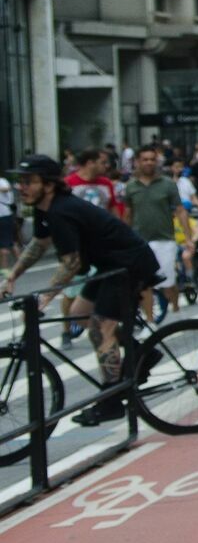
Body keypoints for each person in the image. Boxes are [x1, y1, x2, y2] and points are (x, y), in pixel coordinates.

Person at [4, 154, 161, 424]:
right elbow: (39, 244)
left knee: (102, 329)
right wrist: (12, 276)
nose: (22, 186)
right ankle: (142, 353)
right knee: (79, 314)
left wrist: (45, 297)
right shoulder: (46, 208)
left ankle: (111, 402)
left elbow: (72, 263)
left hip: (128, 264)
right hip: (109, 265)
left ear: (49, 184)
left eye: (29, 181)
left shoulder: (61, 211)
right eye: (20, 181)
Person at [124, 145, 182, 323]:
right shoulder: (130, 187)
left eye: (152, 159)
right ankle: (150, 321)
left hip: (165, 240)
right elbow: (128, 213)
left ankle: (176, 308)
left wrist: (187, 238)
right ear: (137, 162)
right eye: (145, 159)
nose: (149, 162)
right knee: (144, 283)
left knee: (167, 283)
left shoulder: (168, 184)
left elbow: (180, 210)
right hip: (140, 241)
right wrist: (124, 238)